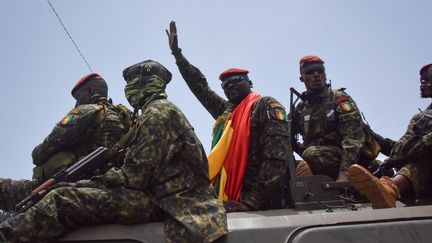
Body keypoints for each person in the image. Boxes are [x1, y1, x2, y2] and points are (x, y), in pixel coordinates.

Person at [0, 60, 228, 242]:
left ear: (145, 84)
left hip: (169, 202)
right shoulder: (145, 116)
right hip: (162, 196)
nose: (128, 90)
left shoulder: (158, 114)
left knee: (62, 199)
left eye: (132, 84)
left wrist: (80, 185)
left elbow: (133, 177)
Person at [166, 21, 292, 212]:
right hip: (232, 198)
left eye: (235, 81)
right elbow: (200, 88)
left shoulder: (265, 105)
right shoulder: (228, 112)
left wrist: (251, 202)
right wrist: (178, 55)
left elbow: (276, 157)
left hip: (262, 203)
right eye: (225, 86)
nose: (230, 86)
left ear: (250, 82)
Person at [0, 73, 131, 211]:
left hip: (71, 184)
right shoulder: (125, 118)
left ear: (90, 91)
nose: (76, 102)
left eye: (78, 96)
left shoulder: (87, 111)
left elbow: (40, 153)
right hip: (107, 185)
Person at [348, 63, 432, 209]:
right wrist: (372, 136)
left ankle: (390, 189)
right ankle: (385, 188)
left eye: (428, 78)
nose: (423, 82)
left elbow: (419, 147)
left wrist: (407, 152)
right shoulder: (421, 118)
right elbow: (400, 148)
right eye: (422, 79)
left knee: (424, 156)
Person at [291, 55, 378, 182]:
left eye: (320, 71)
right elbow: (286, 135)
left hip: (349, 158)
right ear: (301, 78)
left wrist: (345, 173)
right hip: (318, 158)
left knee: (310, 154)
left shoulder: (338, 98)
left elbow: (353, 139)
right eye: (310, 72)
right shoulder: (300, 108)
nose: (316, 75)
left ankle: (365, 172)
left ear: (325, 74)